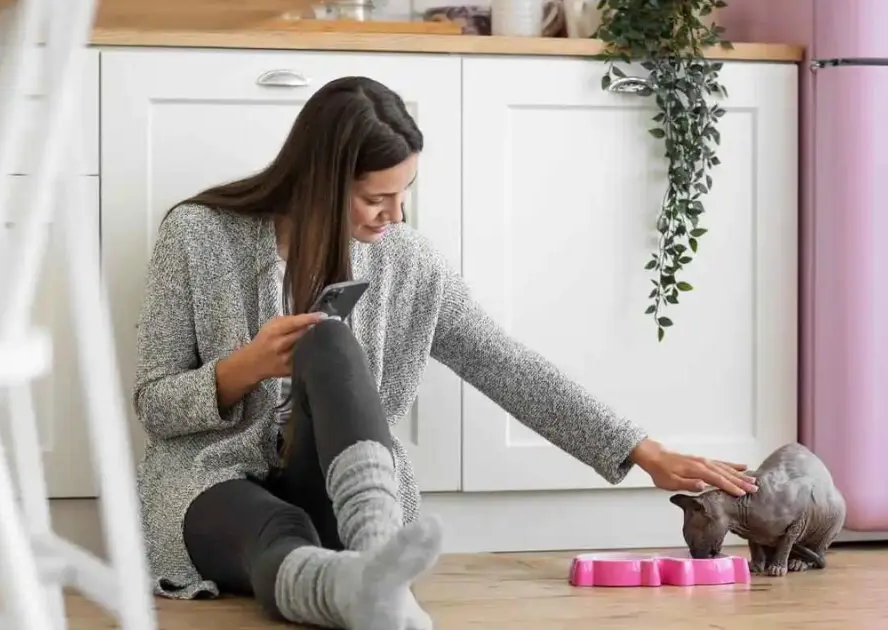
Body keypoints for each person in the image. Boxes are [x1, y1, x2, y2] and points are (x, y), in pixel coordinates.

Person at [133, 75, 759, 629]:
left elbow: (502, 362)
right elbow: (155, 406)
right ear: (320, 181)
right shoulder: (197, 236)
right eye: (376, 199)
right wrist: (245, 368)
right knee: (277, 534)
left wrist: (641, 451)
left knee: (328, 338)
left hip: (343, 496)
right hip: (213, 485)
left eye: (404, 193)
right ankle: (358, 588)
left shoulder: (409, 264)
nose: (394, 215)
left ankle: (376, 555)